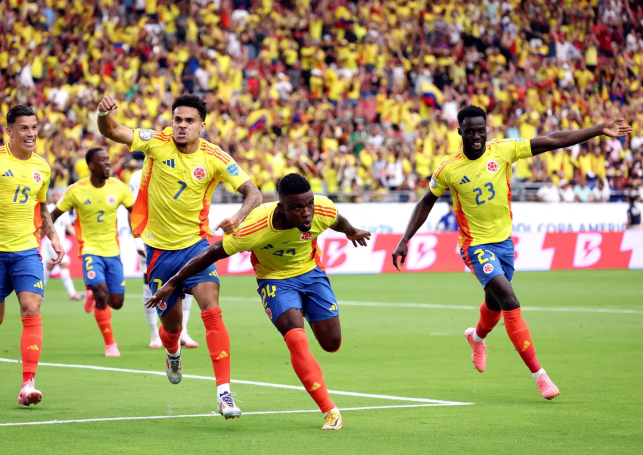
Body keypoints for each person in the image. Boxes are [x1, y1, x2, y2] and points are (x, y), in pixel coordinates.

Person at [392, 105, 631, 400]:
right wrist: (405, 239)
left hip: (504, 245)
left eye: (481, 130)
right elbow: (426, 202)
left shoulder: (504, 150)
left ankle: (476, 337)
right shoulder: (448, 168)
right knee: (509, 300)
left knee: (494, 302)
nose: (476, 136)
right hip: (475, 246)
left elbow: (553, 140)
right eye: (470, 131)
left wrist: (597, 129)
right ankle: (540, 375)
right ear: (460, 131)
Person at [145, 173, 371, 430]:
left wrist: (351, 231)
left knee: (332, 343)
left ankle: (308, 312)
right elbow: (211, 254)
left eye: (309, 204)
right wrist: (174, 282)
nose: (307, 212)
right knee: (296, 338)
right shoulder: (255, 228)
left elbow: (337, 220)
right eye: (298, 207)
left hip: (311, 274)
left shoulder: (322, 209)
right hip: (275, 281)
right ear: (282, 207)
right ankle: (330, 411)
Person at [97, 93, 262, 419]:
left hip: (197, 247)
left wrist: (238, 217)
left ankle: (224, 393)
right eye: (177, 120)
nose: (182, 126)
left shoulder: (214, 157)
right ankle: (172, 350)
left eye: (189, 121)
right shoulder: (156, 143)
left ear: (202, 125)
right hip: (159, 252)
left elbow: (253, 193)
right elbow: (113, 130)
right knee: (171, 328)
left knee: (211, 309)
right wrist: (103, 115)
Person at [0, 105, 64, 406]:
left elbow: (41, 208)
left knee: (31, 307)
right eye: (24, 128)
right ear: (9, 131)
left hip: (27, 250)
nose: (31, 133)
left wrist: (53, 236)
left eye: (34, 127)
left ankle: (28, 384)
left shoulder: (42, 167)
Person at [51, 148, 135, 357]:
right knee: (102, 294)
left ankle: (90, 292)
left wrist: (141, 235)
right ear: (91, 165)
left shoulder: (119, 187)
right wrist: (50, 237)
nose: (108, 163)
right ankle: (110, 344)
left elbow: (135, 211)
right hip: (89, 249)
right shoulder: (76, 190)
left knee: (117, 303)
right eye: (102, 160)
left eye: (108, 160)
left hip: (113, 250)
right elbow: (53, 215)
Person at [128, 162, 199, 349]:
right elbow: (134, 209)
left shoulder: (181, 167)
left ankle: (183, 330)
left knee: (186, 282)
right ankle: (154, 333)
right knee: (150, 287)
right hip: (152, 240)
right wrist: (138, 240)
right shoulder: (138, 176)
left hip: (181, 238)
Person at [41, 191, 83, 301]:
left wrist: (79, 236)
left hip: (61, 242)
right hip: (52, 242)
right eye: (57, 195)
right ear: (52, 197)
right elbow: (43, 225)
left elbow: (69, 227)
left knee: (49, 267)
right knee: (63, 265)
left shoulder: (63, 210)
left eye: (61, 195)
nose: (59, 197)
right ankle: (73, 293)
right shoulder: (49, 208)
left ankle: (37, 293)